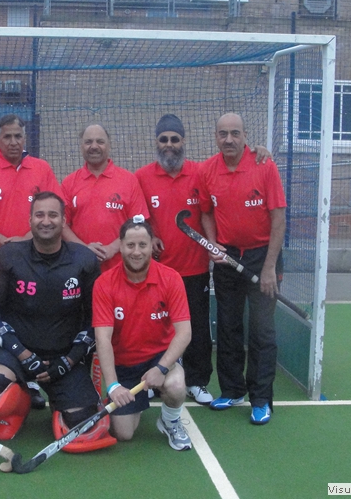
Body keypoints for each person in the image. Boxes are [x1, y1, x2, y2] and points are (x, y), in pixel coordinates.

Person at [135, 114, 272, 406]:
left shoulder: (201, 172)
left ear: (183, 141)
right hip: (157, 269)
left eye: (175, 139)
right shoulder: (142, 177)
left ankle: (197, 381)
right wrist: (151, 234)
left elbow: (209, 208)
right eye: (163, 139)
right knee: (154, 325)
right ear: (156, 142)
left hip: (194, 268)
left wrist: (258, 151)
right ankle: (151, 380)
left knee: (197, 327)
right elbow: (138, 215)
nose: (169, 145)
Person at [0, 192, 114, 452]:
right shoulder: (7, 256)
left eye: (53, 215)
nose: (46, 221)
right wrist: (23, 354)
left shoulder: (84, 259)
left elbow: (97, 320)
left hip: (64, 358)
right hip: (14, 354)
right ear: (30, 220)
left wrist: (69, 361)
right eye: (39, 215)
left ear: (63, 221)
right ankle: (18, 403)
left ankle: (61, 403)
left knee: (82, 421)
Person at [0, 114, 63, 408]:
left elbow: (56, 212)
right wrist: (7, 244)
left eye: (18, 136)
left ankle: (31, 382)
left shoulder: (41, 169)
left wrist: (27, 243)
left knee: (30, 325)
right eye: (7, 136)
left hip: (38, 269)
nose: (13, 141)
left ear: (25, 138)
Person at [198, 113, 286, 425]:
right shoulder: (208, 170)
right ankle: (232, 390)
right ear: (215, 137)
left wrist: (269, 267)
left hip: (263, 256)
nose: (229, 139)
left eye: (235, 133)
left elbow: (278, 219)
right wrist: (213, 244)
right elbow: (206, 212)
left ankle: (260, 399)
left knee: (262, 330)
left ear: (245, 135)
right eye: (223, 134)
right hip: (228, 258)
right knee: (228, 326)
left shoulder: (265, 166)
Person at [93, 217, 193, 451]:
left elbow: (184, 333)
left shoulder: (171, 278)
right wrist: (113, 386)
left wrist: (161, 368)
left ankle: (170, 421)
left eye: (142, 245)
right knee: (123, 433)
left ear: (151, 246)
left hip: (159, 357)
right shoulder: (104, 283)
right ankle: (137, 400)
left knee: (176, 385)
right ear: (120, 246)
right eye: (130, 245)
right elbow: (102, 339)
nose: (136, 252)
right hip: (124, 364)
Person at [62, 123, 149, 272]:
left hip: (121, 269)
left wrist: (112, 248)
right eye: (88, 142)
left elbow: (138, 223)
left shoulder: (129, 180)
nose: (94, 146)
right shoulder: (69, 183)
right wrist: (85, 250)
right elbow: (62, 225)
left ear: (109, 146)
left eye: (100, 141)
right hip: (80, 268)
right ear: (81, 146)